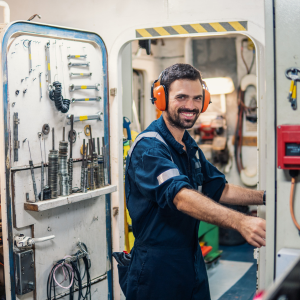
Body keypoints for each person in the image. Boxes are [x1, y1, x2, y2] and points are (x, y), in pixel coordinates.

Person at [123, 63, 266, 300]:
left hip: (191, 260)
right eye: (181, 97)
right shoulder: (149, 148)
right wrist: (240, 221)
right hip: (157, 267)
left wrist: (266, 197)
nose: (191, 106)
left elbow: (219, 188)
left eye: (197, 98)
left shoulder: (188, 145)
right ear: (161, 99)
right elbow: (180, 196)